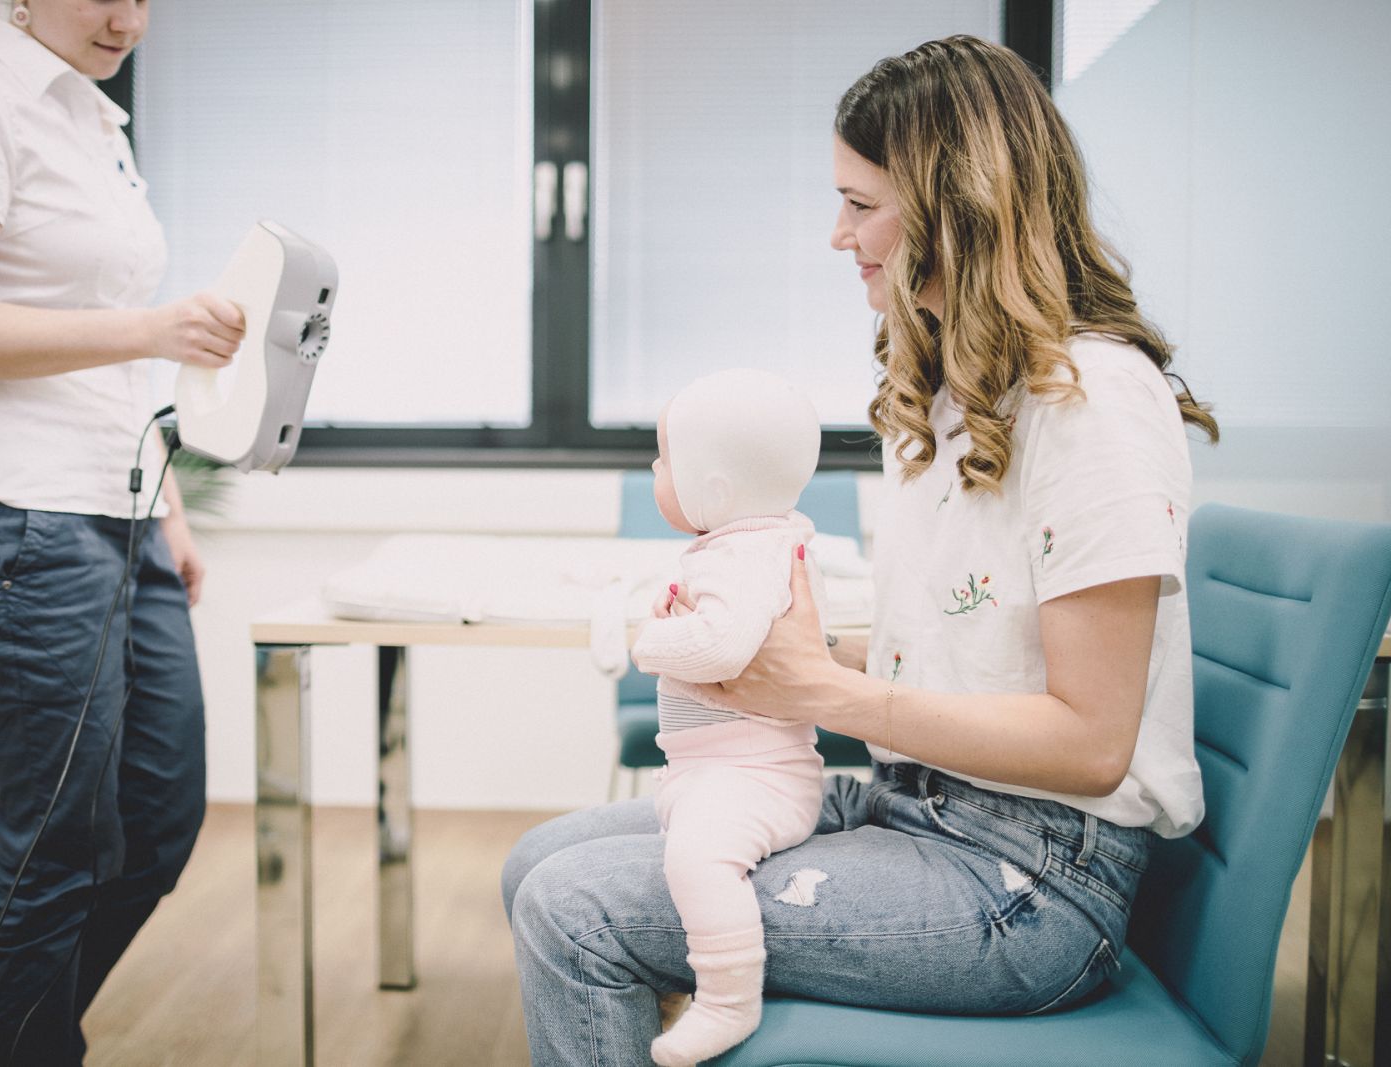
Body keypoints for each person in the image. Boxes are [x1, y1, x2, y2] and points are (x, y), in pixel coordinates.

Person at [502, 34, 1219, 1066]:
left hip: (1035, 882)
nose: (837, 234)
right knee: (537, 861)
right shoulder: (948, 399)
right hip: (920, 803)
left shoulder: (1092, 402)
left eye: (860, 203)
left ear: (957, 208)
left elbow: (1090, 742)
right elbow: (966, 654)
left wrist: (824, 696)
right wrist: (791, 662)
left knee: (575, 908)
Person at [0, 2, 245, 1063]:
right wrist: (158, 326)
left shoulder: (94, 122)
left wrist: (166, 510)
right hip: (14, 524)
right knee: (57, 852)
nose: (130, 17)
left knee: (160, 821)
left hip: (120, 517)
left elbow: (109, 355)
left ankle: (30, 1034)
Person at [629, 368, 828, 1066]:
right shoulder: (747, 545)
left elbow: (721, 644)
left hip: (757, 778)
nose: (652, 469)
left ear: (714, 491)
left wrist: (647, 641)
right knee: (685, 844)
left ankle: (728, 999)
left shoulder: (746, 555)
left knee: (697, 855)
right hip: (727, 770)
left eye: (661, 459)